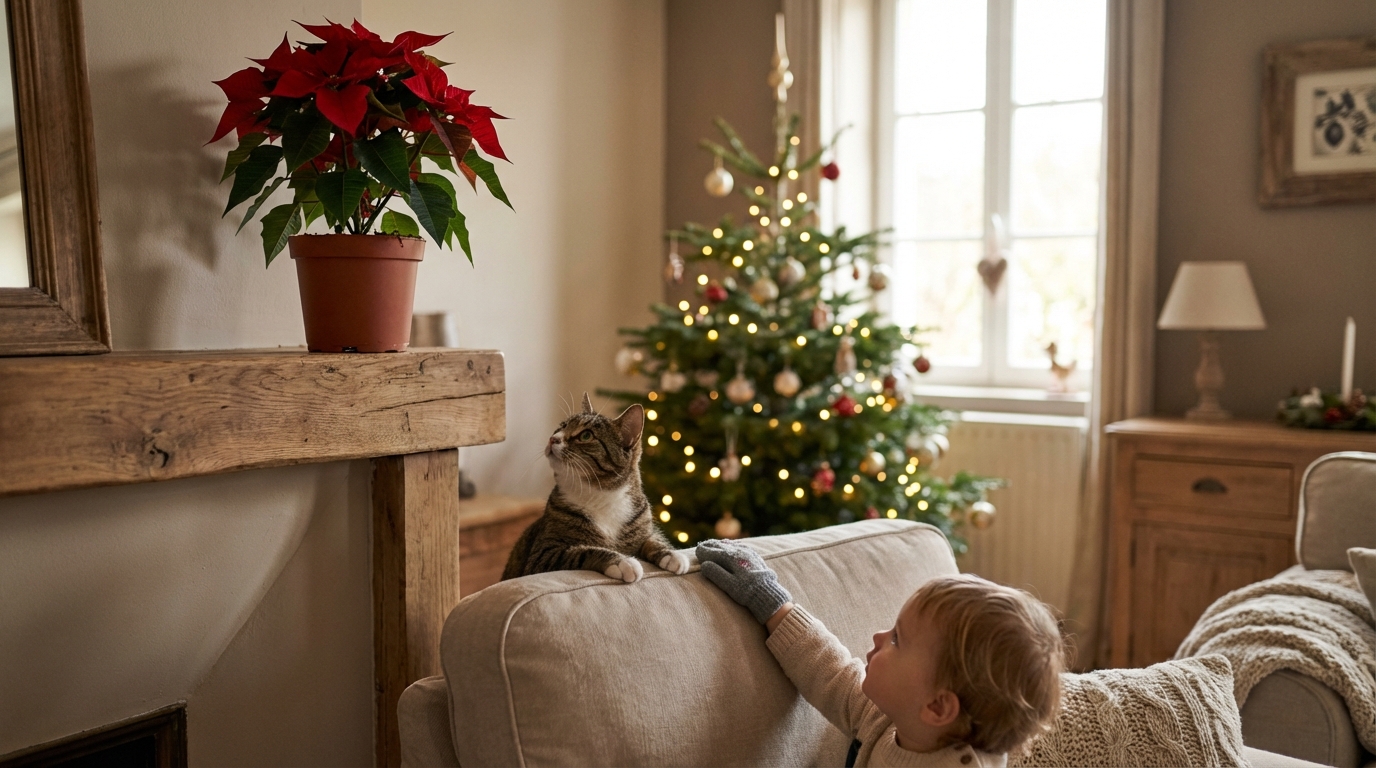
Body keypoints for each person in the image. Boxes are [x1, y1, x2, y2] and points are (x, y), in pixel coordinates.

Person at [696, 540, 1065, 768]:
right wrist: (771, 602)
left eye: (897, 640)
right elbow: (831, 672)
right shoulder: (892, 720)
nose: (878, 636)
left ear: (938, 706)